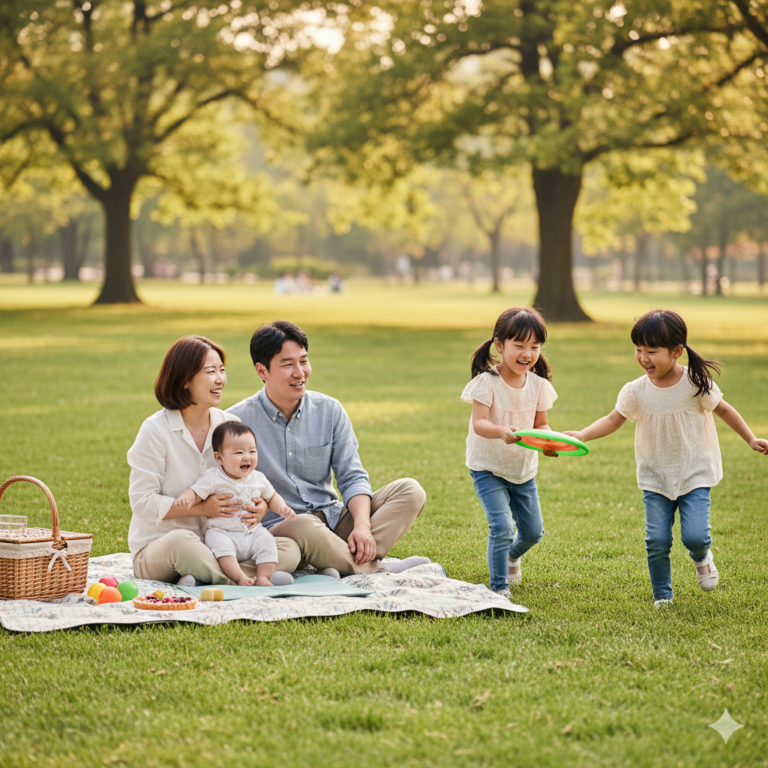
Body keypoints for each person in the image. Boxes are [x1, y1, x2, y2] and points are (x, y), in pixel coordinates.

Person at [564, 310, 768, 606]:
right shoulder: (636, 390)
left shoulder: (695, 382)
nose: (643, 358)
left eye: (651, 351)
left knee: (695, 536)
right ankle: (662, 594)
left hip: (694, 472)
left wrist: (750, 438)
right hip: (655, 475)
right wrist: (581, 435)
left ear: (676, 352)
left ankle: (701, 557)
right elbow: (612, 420)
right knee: (657, 541)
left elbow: (723, 409)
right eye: (638, 350)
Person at [227, 320, 429, 577]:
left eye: (304, 361)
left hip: (333, 520)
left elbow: (352, 476)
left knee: (411, 491)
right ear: (262, 371)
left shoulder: (329, 410)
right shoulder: (235, 422)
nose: (300, 372)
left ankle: (339, 559)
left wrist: (362, 526)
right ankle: (375, 567)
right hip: (281, 529)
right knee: (304, 525)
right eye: (288, 364)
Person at [127, 335, 301, 585]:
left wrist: (261, 507)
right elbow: (142, 503)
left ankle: (207, 576)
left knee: (289, 549)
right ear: (185, 380)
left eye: (222, 370)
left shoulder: (228, 427)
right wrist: (202, 509)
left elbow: (249, 480)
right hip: (163, 547)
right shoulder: (155, 430)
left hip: (222, 544)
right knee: (183, 543)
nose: (221, 379)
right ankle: (241, 579)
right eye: (211, 371)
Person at [461, 307, 558, 597]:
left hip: (522, 469)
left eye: (534, 346)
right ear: (500, 345)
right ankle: (499, 587)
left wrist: (550, 441)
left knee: (532, 532)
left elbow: (541, 424)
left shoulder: (539, 386)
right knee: (501, 526)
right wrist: (501, 431)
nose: (527, 353)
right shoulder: (486, 382)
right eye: (519, 345)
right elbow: (479, 423)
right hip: (487, 466)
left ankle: (512, 557)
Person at [173, 422, 297, 586]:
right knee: (220, 547)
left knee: (268, 542)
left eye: (252, 451)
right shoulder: (213, 477)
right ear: (219, 458)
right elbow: (195, 492)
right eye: (239, 452)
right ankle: (239, 578)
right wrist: (186, 497)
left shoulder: (258, 478)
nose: (247, 457)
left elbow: (272, 497)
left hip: (252, 533)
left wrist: (282, 508)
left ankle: (263, 578)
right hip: (223, 531)